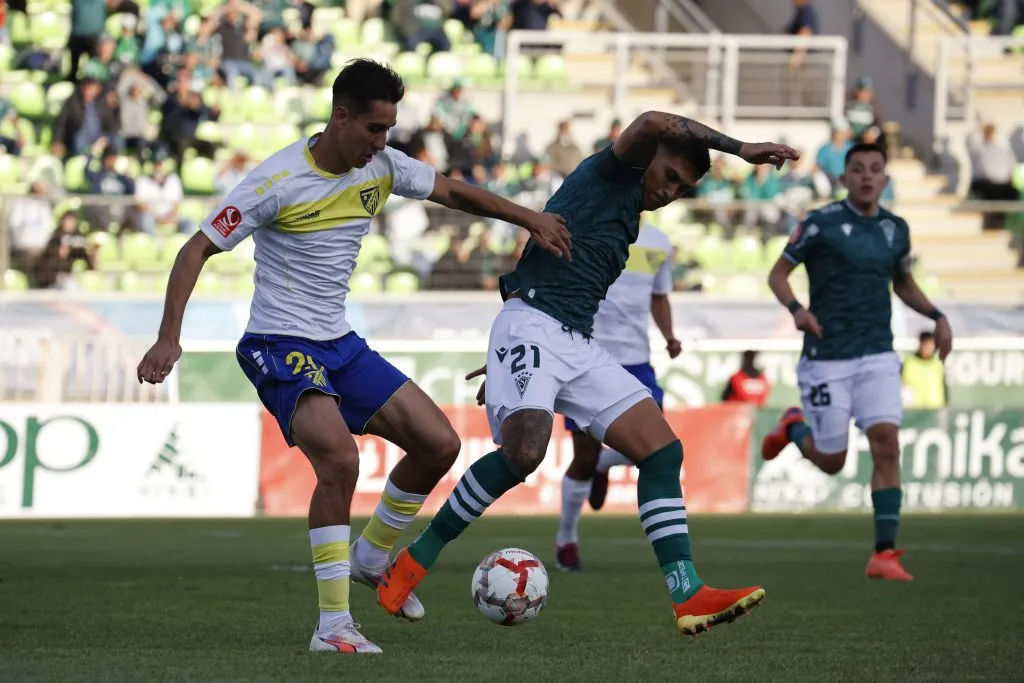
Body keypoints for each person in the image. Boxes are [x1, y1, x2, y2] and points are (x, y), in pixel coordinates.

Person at [136, 59, 571, 654]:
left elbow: (451, 190)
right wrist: (169, 337)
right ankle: (333, 625)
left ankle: (371, 556)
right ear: (340, 117)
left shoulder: (382, 166)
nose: (382, 141)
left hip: (339, 343)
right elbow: (195, 250)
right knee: (340, 460)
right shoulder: (276, 181)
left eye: (388, 129)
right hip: (277, 344)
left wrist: (529, 218)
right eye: (373, 128)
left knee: (439, 444)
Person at [376, 110, 799, 637]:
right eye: (670, 176)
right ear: (650, 157)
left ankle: (687, 592)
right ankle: (410, 565)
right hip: (531, 324)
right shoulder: (613, 171)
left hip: (573, 339)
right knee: (525, 452)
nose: (670, 192)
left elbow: (569, 285)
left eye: (682, 190)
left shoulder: (629, 218)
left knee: (662, 451)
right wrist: (740, 149)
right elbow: (653, 120)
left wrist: (506, 361)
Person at [762, 142, 954, 582]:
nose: (867, 176)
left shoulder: (895, 229)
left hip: (877, 354)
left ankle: (884, 553)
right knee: (832, 461)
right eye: (859, 169)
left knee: (887, 443)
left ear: (885, 178)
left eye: (874, 169)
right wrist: (797, 310)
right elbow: (777, 274)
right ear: (845, 177)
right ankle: (793, 427)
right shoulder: (820, 222)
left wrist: (938, 316)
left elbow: (903, 283)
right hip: (826, 357)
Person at [551, 221, 681, 571]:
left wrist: (669, 336)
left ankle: (603, 465)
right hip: (586, 357)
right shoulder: (585, 229)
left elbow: (659, 296)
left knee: (657, 447)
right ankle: (566, 539)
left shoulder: (659, 242)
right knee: (583, 457)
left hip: (637, 360)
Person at [901, 331, 947, 409]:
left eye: (930, 344)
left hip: (935, 410)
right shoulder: (908, 363)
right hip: (914, 411)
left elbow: (944, 389)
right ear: (920, 344)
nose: (928, 347)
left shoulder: (938, 364)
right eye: (926, 344)